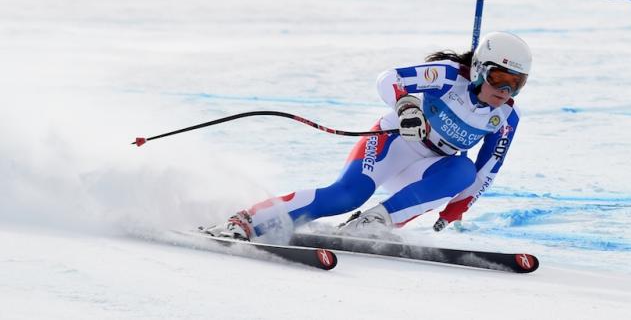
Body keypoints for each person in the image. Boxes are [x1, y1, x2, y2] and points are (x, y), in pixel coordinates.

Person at [203, 31, 532, 241]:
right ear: (479, 69)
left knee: (463, 171)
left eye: (515, 83)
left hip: (430, 171)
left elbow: (488, 169)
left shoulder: (505, 117)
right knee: (346, 196)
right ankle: (247, 220)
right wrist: (406, 108)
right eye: (499, 77)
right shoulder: (446, 76)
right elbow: (388, 79)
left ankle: (372, 224)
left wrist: (457, 209)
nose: (504, 90)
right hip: (396, 142)